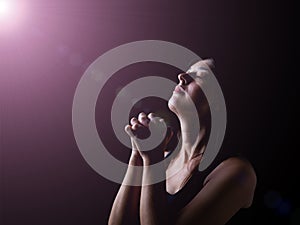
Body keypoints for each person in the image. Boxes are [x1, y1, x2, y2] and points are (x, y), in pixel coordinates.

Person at [108, 59, 257, 225]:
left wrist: (151, 161)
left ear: (219, 101)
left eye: (200, 76)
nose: (182, 76)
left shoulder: (237, 173)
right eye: (188, 71)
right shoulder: (163, 156)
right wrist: (137, 154)